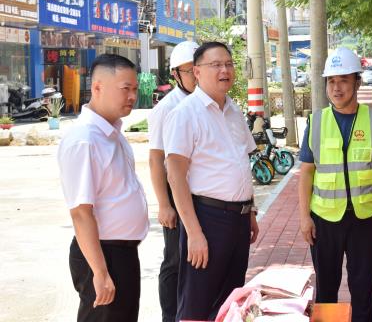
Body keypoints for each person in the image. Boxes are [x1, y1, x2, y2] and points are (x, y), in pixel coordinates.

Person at [298, 47, 372, 322]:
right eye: (331, 81)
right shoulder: (316, 122)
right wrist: (304, 217)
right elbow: (306, 173)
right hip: (324, 220)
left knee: (363, 288)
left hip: (364, 219)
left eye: (343, 80)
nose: (336, 88)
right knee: (326, 289)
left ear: (357, 82)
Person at [163, 41, 259, 321]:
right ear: (197, 71)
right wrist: (194, 233)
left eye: (228, 64)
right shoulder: (185, 114)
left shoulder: (234, 111)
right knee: (197, 304)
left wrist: (250, 211)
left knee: (231, 301)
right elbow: (175, 177)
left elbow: (242, 164)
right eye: (216, 65)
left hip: (239, 220)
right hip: (207, 219)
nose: (224, 70)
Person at [57, 54, 149, 322]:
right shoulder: (84, 140)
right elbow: (80, 212)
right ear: (97, 87)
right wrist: (100, 271)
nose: (132, 96)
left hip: (121, 253)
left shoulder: (112, 134)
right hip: (101, 254)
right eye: (125, 88)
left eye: (135, 89)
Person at [147, 40, 198, 322]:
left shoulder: (207, 102)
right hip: (175, 193)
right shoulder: (166, 108)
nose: (195, 76)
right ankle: (170, 315)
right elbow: (156, 159)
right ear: (176, 74)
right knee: (175, 259)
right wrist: (163, 204)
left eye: (198, 68)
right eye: (189, 71)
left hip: (201, 193)